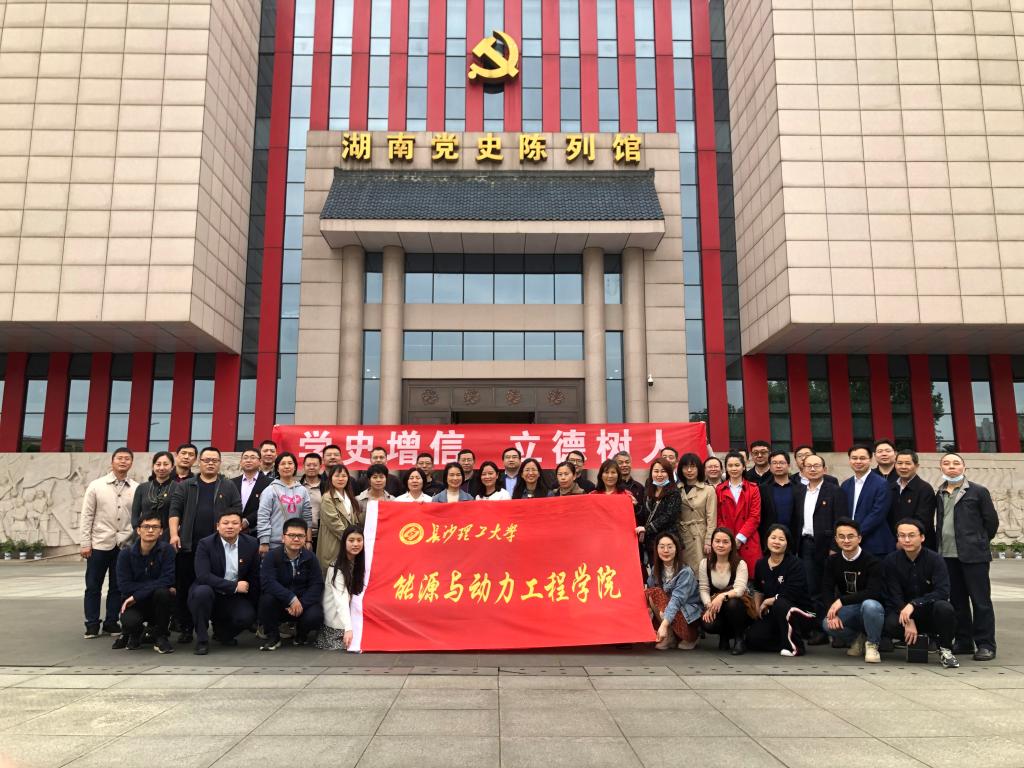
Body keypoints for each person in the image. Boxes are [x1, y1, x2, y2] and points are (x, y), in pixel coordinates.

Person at [168, 447, 243, 645]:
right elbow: (174, 510)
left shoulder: (227, 486)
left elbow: (237, 510)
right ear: (199, 462)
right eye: (206, 460)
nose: (210, 463)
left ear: (220, 463)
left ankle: (219, 628)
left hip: (217, 549)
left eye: (214, 460)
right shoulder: (186, 485)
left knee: (215, 588)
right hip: (188, 547)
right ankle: (186, 627)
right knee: (185, 588)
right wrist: (174, 534)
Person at [935, 452, 999, 661]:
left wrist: (978, 541)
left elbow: (991, 522)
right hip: (947, 555)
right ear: (941, 468)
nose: (951, 466)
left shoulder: (978, 491)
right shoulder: (940, 492)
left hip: (974, 555)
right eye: (946, 463)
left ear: (964, 468)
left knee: (980, 601)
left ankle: (986, 644)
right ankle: (964, 640)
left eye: (956, 463)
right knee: (957, 601)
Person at [882, 518, 960, 668]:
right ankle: (912, 639)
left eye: (911, 535)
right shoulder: (891, 561)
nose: (906, 540)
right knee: (889, 623)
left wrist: (914, 604)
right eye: (902, 535)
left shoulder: (935, 559)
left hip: (929, 610)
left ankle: (945, 649)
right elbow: (894, 594)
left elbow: (942, 591)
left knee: (945, 609)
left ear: (922, 537)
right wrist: (908, 620)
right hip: (903, 612)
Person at [80, 448, 137, 639]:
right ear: (112, 462)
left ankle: (111, 622)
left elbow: (137, 518)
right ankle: (92, 623)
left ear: (131, 463)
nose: (123, 461)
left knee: (117, 586)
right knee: (93, 585)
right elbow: (87, 515)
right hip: (99, 543)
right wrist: (85, 543)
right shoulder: (97, 486)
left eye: (127, 459)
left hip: (125, 544)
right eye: (119, 458)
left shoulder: (136, 488)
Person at [790, 452, 848, 640]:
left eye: (817, 466)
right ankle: (818, 628)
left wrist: (835, 546)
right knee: (812, 589)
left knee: (830, 588)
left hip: (828, 546)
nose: (813, 469)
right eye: (809, 466)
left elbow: (841, 520)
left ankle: (835, 629)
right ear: (802, 470)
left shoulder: (835, 491)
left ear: (824, 469)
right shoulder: (799, 491)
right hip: (806, 545)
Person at [189, 510, 261, 655]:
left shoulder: (251, 543)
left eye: (234, 523)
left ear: (240, 526)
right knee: (202, 592)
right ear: (218, 526)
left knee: (247, 616)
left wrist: (254, 603)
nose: (230, 526)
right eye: (225, 523)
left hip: (234, 596)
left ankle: (223, 633)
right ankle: (202, 640)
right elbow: (203, 576)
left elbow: (254, 575)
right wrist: (234, 586)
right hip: (210, 590)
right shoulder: (206, 544)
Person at [820, 518, 884, 663]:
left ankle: (872, 644)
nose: (846, 540)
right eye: (841, 537)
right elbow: (826, 589)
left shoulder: (872, 561)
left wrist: (841, 601)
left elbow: (873, 592)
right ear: (836, 539)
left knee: (870, 605)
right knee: (827, 623)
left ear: (859, 538)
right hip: (849, 609)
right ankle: (857, 639)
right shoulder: (832, 561)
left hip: (872, 609)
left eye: (850, 536)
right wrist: (832, 611)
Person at [746, 524, 816, 657]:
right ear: (767, 540)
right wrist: (757, 609)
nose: (776, 542)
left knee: (780, 602)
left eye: (781, 539)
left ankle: (796, 647)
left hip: (801, 613)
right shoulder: (761, 564)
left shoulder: (796, 564)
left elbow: (792, 593)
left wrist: (768, 601)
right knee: (752, 638)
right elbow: (758, 590)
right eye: (773, 538)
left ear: (787, 543)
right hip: (775, 612)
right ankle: (783, 641)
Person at [113, 510, 175, 653]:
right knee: (131, 623)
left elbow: (168, 579)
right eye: (146, 526)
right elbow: (124, 586)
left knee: (163, 593)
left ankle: (160, 636)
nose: (150, 530)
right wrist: (155, 585)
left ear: (161, 531)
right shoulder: (125, 554)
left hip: (153, 601)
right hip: (133, 604)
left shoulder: (167, 551)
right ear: (138, 530)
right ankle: (137, 632)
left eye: (155, 527)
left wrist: (137, 595)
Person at [258, 518, 324, 650]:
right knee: (266, 601)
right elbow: (268, 583)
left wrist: (301, 603)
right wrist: (291, 598)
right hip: (281, 602)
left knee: (316, 615)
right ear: (283, 538)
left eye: (300, 536)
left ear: (305, 538)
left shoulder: (311, 558)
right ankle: (273, 637)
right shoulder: (272, 556)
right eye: (292, 535)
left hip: (303, 604)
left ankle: (301, 635)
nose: (296, 539)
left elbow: (317, 585)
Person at [699, 527, 751, 654]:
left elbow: (739, 589)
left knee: (732, 604)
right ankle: (724, 635)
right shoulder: (705, 563)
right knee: (707, 623)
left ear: (732, 545)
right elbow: (704, 588)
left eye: (725, 542)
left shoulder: (740, 563)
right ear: (712, 543)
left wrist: (721, 597)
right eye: (717, 541)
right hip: (716, 606)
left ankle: (739, 639)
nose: (721, 545)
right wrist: (709, 605)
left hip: (738, 606)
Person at [646, 532, 702, 650]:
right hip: (668, 614)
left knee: (656, 593)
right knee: (650, 593)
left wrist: (664, 625)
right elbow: (648, 592)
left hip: (686, 617)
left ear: (677, 549)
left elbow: (676, 601)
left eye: (670, 547)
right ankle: (670, 637)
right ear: (656, 549)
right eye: (662, 547)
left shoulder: (685, 572)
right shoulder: (656, 569)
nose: (666, 550)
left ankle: (691, 637)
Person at [317, 525, 365, 651]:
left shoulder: (360, 563)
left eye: (359, 540)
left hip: (353, 614)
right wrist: (348, 628)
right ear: (344, 542)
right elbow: (341, 600)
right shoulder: (336, 567)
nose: (355, 544)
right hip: (337, 621)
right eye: (351, 540)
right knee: (355, 643)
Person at [841, 445, 894, 557]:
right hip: (850, 544)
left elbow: (878, 514)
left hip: (875, 544)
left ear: (870, 460)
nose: (858, 461)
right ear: (849, 460)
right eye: (854, 458)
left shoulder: (882, 484)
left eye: (862, 458)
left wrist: (856, 534)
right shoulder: (846, 485)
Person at [256, 452, 313, 554]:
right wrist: (264, 542)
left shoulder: (303, 491)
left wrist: (308, 540)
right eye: (283, 464)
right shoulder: (270, 490)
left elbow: (307, 517)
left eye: (290, 463)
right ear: (277, 468)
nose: (287, 466)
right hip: (274, 544)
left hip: (297, 542)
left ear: (295, 467)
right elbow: (263, 517)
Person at [715, 452, 761, 574]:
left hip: (748, 539)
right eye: (730, 465)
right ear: (726, 468)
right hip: (726, 539)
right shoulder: (719, 489)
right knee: (728, 576)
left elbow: (754, 517)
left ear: (744, 467)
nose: (734, 468)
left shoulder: (753, 489)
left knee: (750, 577)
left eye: (737, 465)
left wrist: (739, 539)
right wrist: (727, 537)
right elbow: (718, 516)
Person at [317, 465, 363, 574]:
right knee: (333, 574)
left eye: (344, 476)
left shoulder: (350, 497)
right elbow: (335, 524)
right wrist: (351, 540)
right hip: (333, 543)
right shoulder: (327, 498)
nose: (341, 479)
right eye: (337, 476)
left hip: (348, 543)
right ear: (330, 478)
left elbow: (356, 520)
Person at [676, 453, 716, 572]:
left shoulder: (708, 490)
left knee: (700, 570)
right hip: (681, 535)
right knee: (682, 571)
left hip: (700, 535)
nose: (689, 470)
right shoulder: (676, 489)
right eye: (685, 467)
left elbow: (711, 518)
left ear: (699, 468)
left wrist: (709, 540)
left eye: (693, 467)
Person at [891, 449, 936, 549]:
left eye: (908, 463)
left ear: (916, 466)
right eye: (899, 463)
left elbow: (923, 521)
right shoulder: (891, 487)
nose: (903, 467)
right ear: (895, 465)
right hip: (894, 544)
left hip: (920, 546)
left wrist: (904, 540)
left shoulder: (925, 489)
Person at [639, 458, 682, 558]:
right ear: (651, 473)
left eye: (663, 471)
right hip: (651, 542)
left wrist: (646, 529)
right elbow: (646, 513)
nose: (659, 475)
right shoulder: (649, 489)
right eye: (656, 471)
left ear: (669, 473)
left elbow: (668, 517)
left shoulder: (674, 492)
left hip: (668, 540)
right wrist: (636, 506)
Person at [757, 451, 797, 548]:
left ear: (788, 465)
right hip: (770, 539)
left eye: (782, 463)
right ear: (770, 467)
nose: (778, 466)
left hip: (794, 538)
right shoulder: (762, 489)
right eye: (774, 463)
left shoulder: (800, 488)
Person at [131, 451, 175, 539]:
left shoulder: (179, 488)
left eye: (166, 464)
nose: (161, 468)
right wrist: (139, 532)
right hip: (143, 536)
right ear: (153, 466)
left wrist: (168, 534)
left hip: (168, 537)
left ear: (172, 467)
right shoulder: (142, 487)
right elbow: (135, 516)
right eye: (158, 464)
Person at [233, 447, 272, 534]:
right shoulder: (232, 482)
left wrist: (248, 520)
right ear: (241, 462)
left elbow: (269, 507)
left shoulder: (269, 483)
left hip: (258, 530)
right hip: (234, 530)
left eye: (253, 457)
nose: (248, 460)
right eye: (245, 458)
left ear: (260, 462)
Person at [300, 452, 326, 550]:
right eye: (308, 465)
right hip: (300, 533)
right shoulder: (297, 486)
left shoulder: (327, 487)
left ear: (320, 467)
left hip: (322, 534)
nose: (311, 467)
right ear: (303, 466)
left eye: (315, 465)